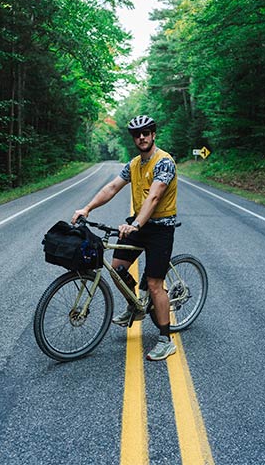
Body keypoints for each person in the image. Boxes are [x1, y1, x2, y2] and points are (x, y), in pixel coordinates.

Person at [72, 115, 179, 361]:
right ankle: (135, 305)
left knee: (154, 284)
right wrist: (87, 208)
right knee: (117, 268)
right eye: (136, 134)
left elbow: (154, 197)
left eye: (146, 133)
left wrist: (136, 224)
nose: (141, 137)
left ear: (153, 135)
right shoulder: (133, 164)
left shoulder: (164, 162)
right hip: (139, 225)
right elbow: (111, 187)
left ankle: (165, 339)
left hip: (161, 228)